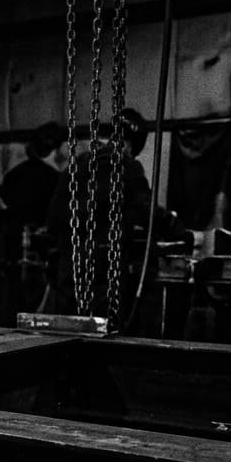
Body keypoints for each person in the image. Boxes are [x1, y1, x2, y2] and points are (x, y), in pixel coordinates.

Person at [43, 107, 153, 322]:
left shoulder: (77, 165)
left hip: (69, 270)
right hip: (102, 273)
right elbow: (147, 212)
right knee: (103, 335)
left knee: (69, 333)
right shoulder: (126, 165)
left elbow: (53, 218)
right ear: (133, 144)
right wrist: (184, 233)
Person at [0, 121, 67, 323]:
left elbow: (1, 208)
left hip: (11, 259)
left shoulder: (15, 175)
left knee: (11, 312)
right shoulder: (57, 181)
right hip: (41, 260)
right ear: (56, 150)